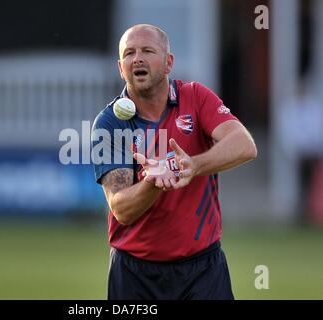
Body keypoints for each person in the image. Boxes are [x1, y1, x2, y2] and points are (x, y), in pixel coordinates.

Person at [91, 24, 257, 300]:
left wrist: (192, 165)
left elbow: (244, 145)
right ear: (121, 68)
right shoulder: (109, 123)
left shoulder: (195, 97)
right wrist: (153, 182)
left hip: (203, 270)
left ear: (169, 62)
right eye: (129, 53)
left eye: (147, 51)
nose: (138, 59)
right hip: (134, 274)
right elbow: (121, 208)